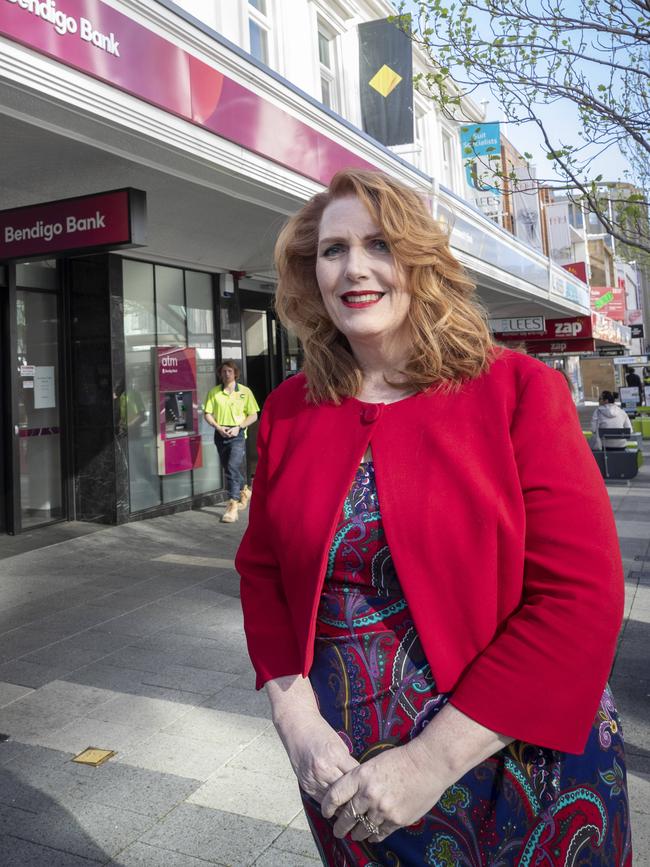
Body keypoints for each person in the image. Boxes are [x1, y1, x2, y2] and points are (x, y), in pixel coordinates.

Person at [236, 170, 631, 865]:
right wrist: (296, 722)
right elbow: (262, 572)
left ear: (419, 259)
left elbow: (579, 598)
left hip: (518, 773)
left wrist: (426, 763)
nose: (355, 268)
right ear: (312, 272)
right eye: (333, 250)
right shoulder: (289, 410)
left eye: (379, 244)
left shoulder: (517, 390)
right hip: (350, 789)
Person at [204, 360, 259, 523]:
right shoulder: (214, 392)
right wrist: (218, 427)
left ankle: (232, 505)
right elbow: (207, 413)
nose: (226, 374)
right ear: (220, 374)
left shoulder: (245, 392)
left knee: (232, 466)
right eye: (223, 372)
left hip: (238, 434)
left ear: (235, 373)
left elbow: (253, 415)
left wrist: (238, 427)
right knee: (228, 467)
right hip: (220, 434)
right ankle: (244, 490)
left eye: (229, 371)